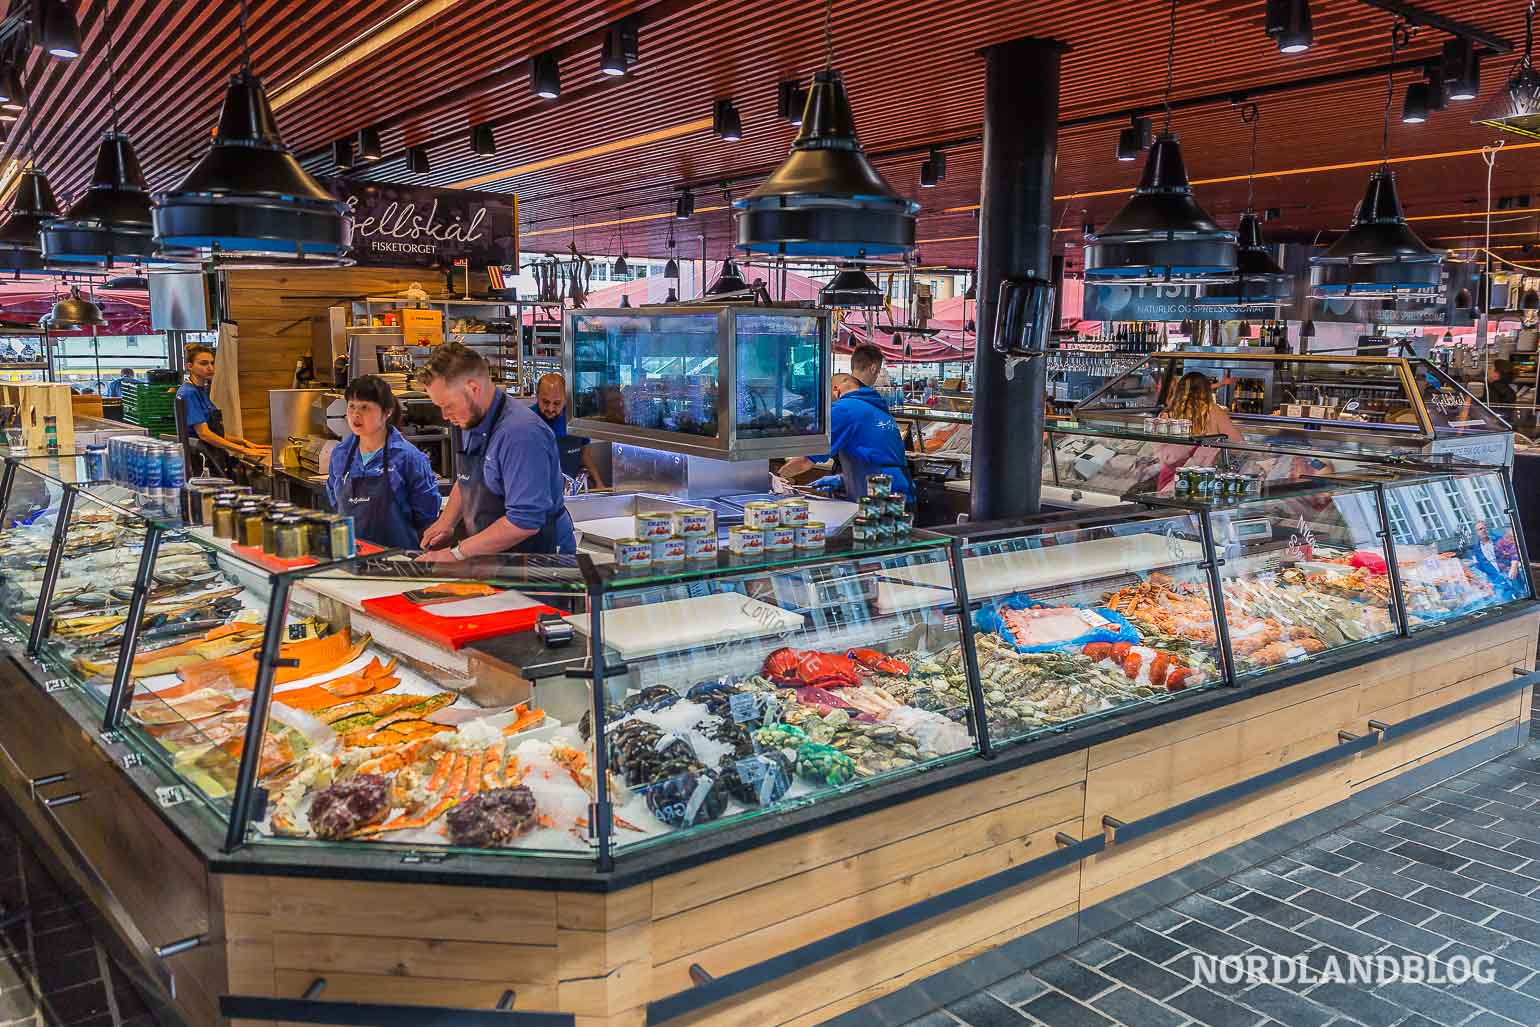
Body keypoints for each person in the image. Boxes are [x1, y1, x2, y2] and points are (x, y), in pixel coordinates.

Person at [414, 342, 575, 560]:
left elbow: (524, 523)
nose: (444, 415)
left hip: (535, 560)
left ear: (473, 389)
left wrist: (455, 555)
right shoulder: (471, 418)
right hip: (495, 555)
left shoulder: (520, 434)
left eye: (448, 405)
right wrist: (446, 522)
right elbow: (468, 479)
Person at [325, 374, 442, 550]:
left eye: (365, 407)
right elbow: (335, 501)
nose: (356, 414)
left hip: (399, 561)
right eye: (352, 406)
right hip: (351, 557)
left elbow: (427, 513)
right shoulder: (340, 454)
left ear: (386, 412)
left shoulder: (408, 457)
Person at [779, 372, 915, 502]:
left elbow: (805, 460)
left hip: (880, 497)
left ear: (835, 389)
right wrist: (843, 479)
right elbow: (879, 457)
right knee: (896, 526)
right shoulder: (876, 408)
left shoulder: (844, 408)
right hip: (901, 492)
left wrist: (777, 478)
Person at [176, 344, 265, 475]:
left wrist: (244, 442)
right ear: (189, 366)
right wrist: (242, 450)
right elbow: (204, 433)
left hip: (214, 455)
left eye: (212, 363)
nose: (210, 368)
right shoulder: (188, 393)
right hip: (201, 462)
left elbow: (214, 431)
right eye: (203, 363)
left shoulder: (201, 390)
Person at [1154, 371, 1245, 492]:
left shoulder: (1166, 414)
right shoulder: (1214, 411)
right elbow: (1238, 444)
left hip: (1169, 481)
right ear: (1206, 390)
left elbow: (1160, 453)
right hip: (1202, 480)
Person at [533, 372, 607, 488]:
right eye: (545, 402)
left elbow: (584, 454)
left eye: (557, 403)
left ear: (566, 399)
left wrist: (599, 483)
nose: (550, 408)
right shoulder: (527, 421)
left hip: (569, 490)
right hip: (539, 491)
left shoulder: (576, 420)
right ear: (537, 396)